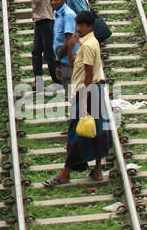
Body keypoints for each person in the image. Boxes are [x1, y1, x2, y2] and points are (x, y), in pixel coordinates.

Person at [45, 10, 111, 187]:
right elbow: (76, 66)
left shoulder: (89, 45)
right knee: (96, 130)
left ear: (90, 27)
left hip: (88, 91)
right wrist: (71, 48)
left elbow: (88, 74)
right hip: (90, 91)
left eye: (81, 26)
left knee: (76, 132)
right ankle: (96, 170)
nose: (78, 28)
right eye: (77, 25)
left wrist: (83, 102)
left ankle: (65, 173)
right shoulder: (85, 42)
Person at [28, 0, 59, 85]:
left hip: (46, 21)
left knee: (48, 53)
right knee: (36, 52)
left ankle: (57, 79)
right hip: (39, 22)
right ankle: (39, 81)